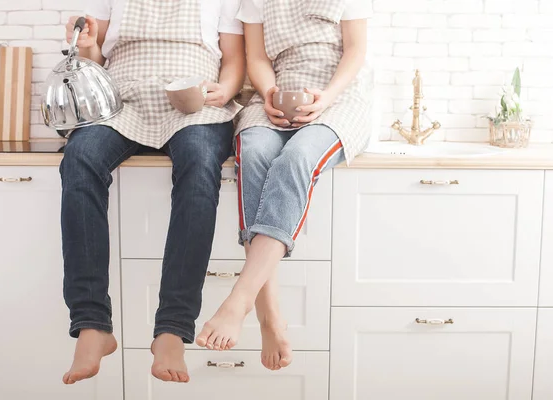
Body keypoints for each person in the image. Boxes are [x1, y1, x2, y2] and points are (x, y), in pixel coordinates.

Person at [60, 0, 245, 385]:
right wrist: (88, 45)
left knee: (199, 165)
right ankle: (92, 323)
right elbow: (95, 61)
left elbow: (234, 58)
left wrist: (224, 90)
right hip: (122, 100)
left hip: (193, 104)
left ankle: (173, 329)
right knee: (79, 158)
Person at [195, 0, 373, 371]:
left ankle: (243, 300)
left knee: (296, 159)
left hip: (338, 97)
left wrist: (328, 96)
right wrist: (271, 92)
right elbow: (257, 56)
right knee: (254, 150)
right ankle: (270, 311)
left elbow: (356, 50)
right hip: (276, 97)